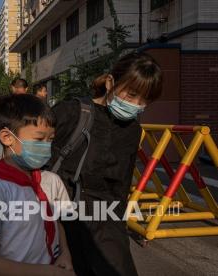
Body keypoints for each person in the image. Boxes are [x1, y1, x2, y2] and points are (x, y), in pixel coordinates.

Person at [51, 52, 163, 276]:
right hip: (61, 218)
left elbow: (122, 185)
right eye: (131, 95)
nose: (136, 105)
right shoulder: (72, 112)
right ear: (111, 82)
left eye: (144, 101)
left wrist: (120, 229)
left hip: (107, 221)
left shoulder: (133, 130)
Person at [0, 94, 74, 275]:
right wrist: (48, 273)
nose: (47, 147)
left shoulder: (51, 180)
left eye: (50, 139)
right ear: (7, 137)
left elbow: (56, 221)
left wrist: (65, 254)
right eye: (39, 140)